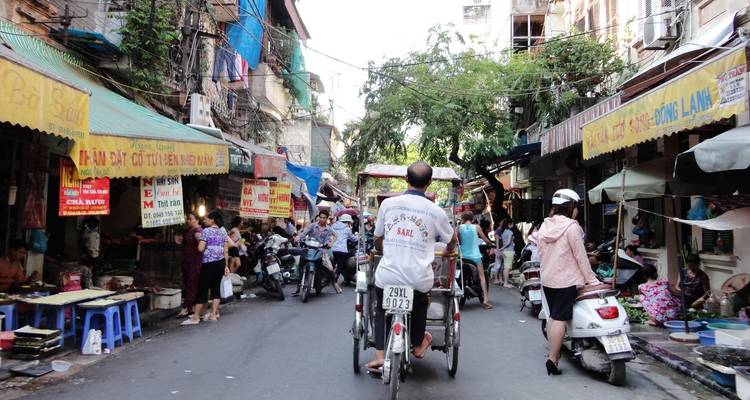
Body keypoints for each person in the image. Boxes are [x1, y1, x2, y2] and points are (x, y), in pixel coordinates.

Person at [364, 161, 457, 371]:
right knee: (420, 304)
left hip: (387, 277)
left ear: (406, 179)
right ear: (429, 182)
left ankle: (379, 356)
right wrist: (450, 248)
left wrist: (384, 245)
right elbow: (451, 240)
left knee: (381, 308)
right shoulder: (437, 212)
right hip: (418, 280)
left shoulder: (388, 205)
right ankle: (417, 344)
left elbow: (377, 238)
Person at [538, 189, 601, 375]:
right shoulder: (572, 228)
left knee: (552, 315)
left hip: (548, 278)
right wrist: (592, 279)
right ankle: (552, 358)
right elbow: (581, 257)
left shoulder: (544, 226)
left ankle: (554, 356)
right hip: (566, 280)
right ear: (571, 207)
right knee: (560, 317)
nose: (578, 211)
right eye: (577, 207)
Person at [182, 209, 229, 325]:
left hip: (208, 264)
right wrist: (226, 266)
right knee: (216, 289)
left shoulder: (206, 231)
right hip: (220, 263)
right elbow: (226, 250)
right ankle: (213, 315)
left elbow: (200, 248)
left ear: (212, 220)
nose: (205, 220)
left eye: (206, 218)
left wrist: (207, 245)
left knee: (202, 289)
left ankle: (196, 317)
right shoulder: (223, 231)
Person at [295, 210, 342, 294]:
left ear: (327, 219)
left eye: (324, 218)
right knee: (300, 263)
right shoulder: (312, 226)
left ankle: (334, 283)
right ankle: (299, 284)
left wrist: (330, 243)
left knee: (330, 268)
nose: (322, 219)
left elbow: (335, 236)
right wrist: (298, 237)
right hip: (310, 249)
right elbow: (304, 233)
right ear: (318, 217)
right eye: (321, 217)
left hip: (322, 251)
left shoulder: (329, 229)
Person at [458, 212, 493, 309]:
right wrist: (490, 243)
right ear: (472, 218)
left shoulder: (459, 228)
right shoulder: (477, 227)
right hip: (475, 257)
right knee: (482, 277)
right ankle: (485, 300)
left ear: (463, 218)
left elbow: (459, 241)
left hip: (463, 256)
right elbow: (485, 240)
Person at [175, 213, 203, 318]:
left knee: (192, 285)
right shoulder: (188, 230)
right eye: (188, 218)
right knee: (189, 284)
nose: (188, 220)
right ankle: (192, 307)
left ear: (197, 220)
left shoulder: (197, 231)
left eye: (191, 219)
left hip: (195, 262)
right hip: (187, 261)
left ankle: (186, 308)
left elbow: (202, 242)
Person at [330, 214, 358, 284]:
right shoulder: (347, 229)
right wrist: (358, 236)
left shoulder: (333, 226)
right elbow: (353, 239)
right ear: (347, 222)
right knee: (340, 265)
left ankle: (329, 278)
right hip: (342, 250)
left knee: (332, 265)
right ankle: (335, 279)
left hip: (332, 249)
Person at [493, 219, 515, 288]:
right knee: (507, 268)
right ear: (509, 224)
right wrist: (502, 248)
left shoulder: (503, 232)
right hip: (509, 251)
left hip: (504, 251)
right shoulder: (510, 232)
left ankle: (504, 281)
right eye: (512, 224)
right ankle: (506, 283)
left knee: (505, 267)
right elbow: (508, 242)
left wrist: (502, 248)